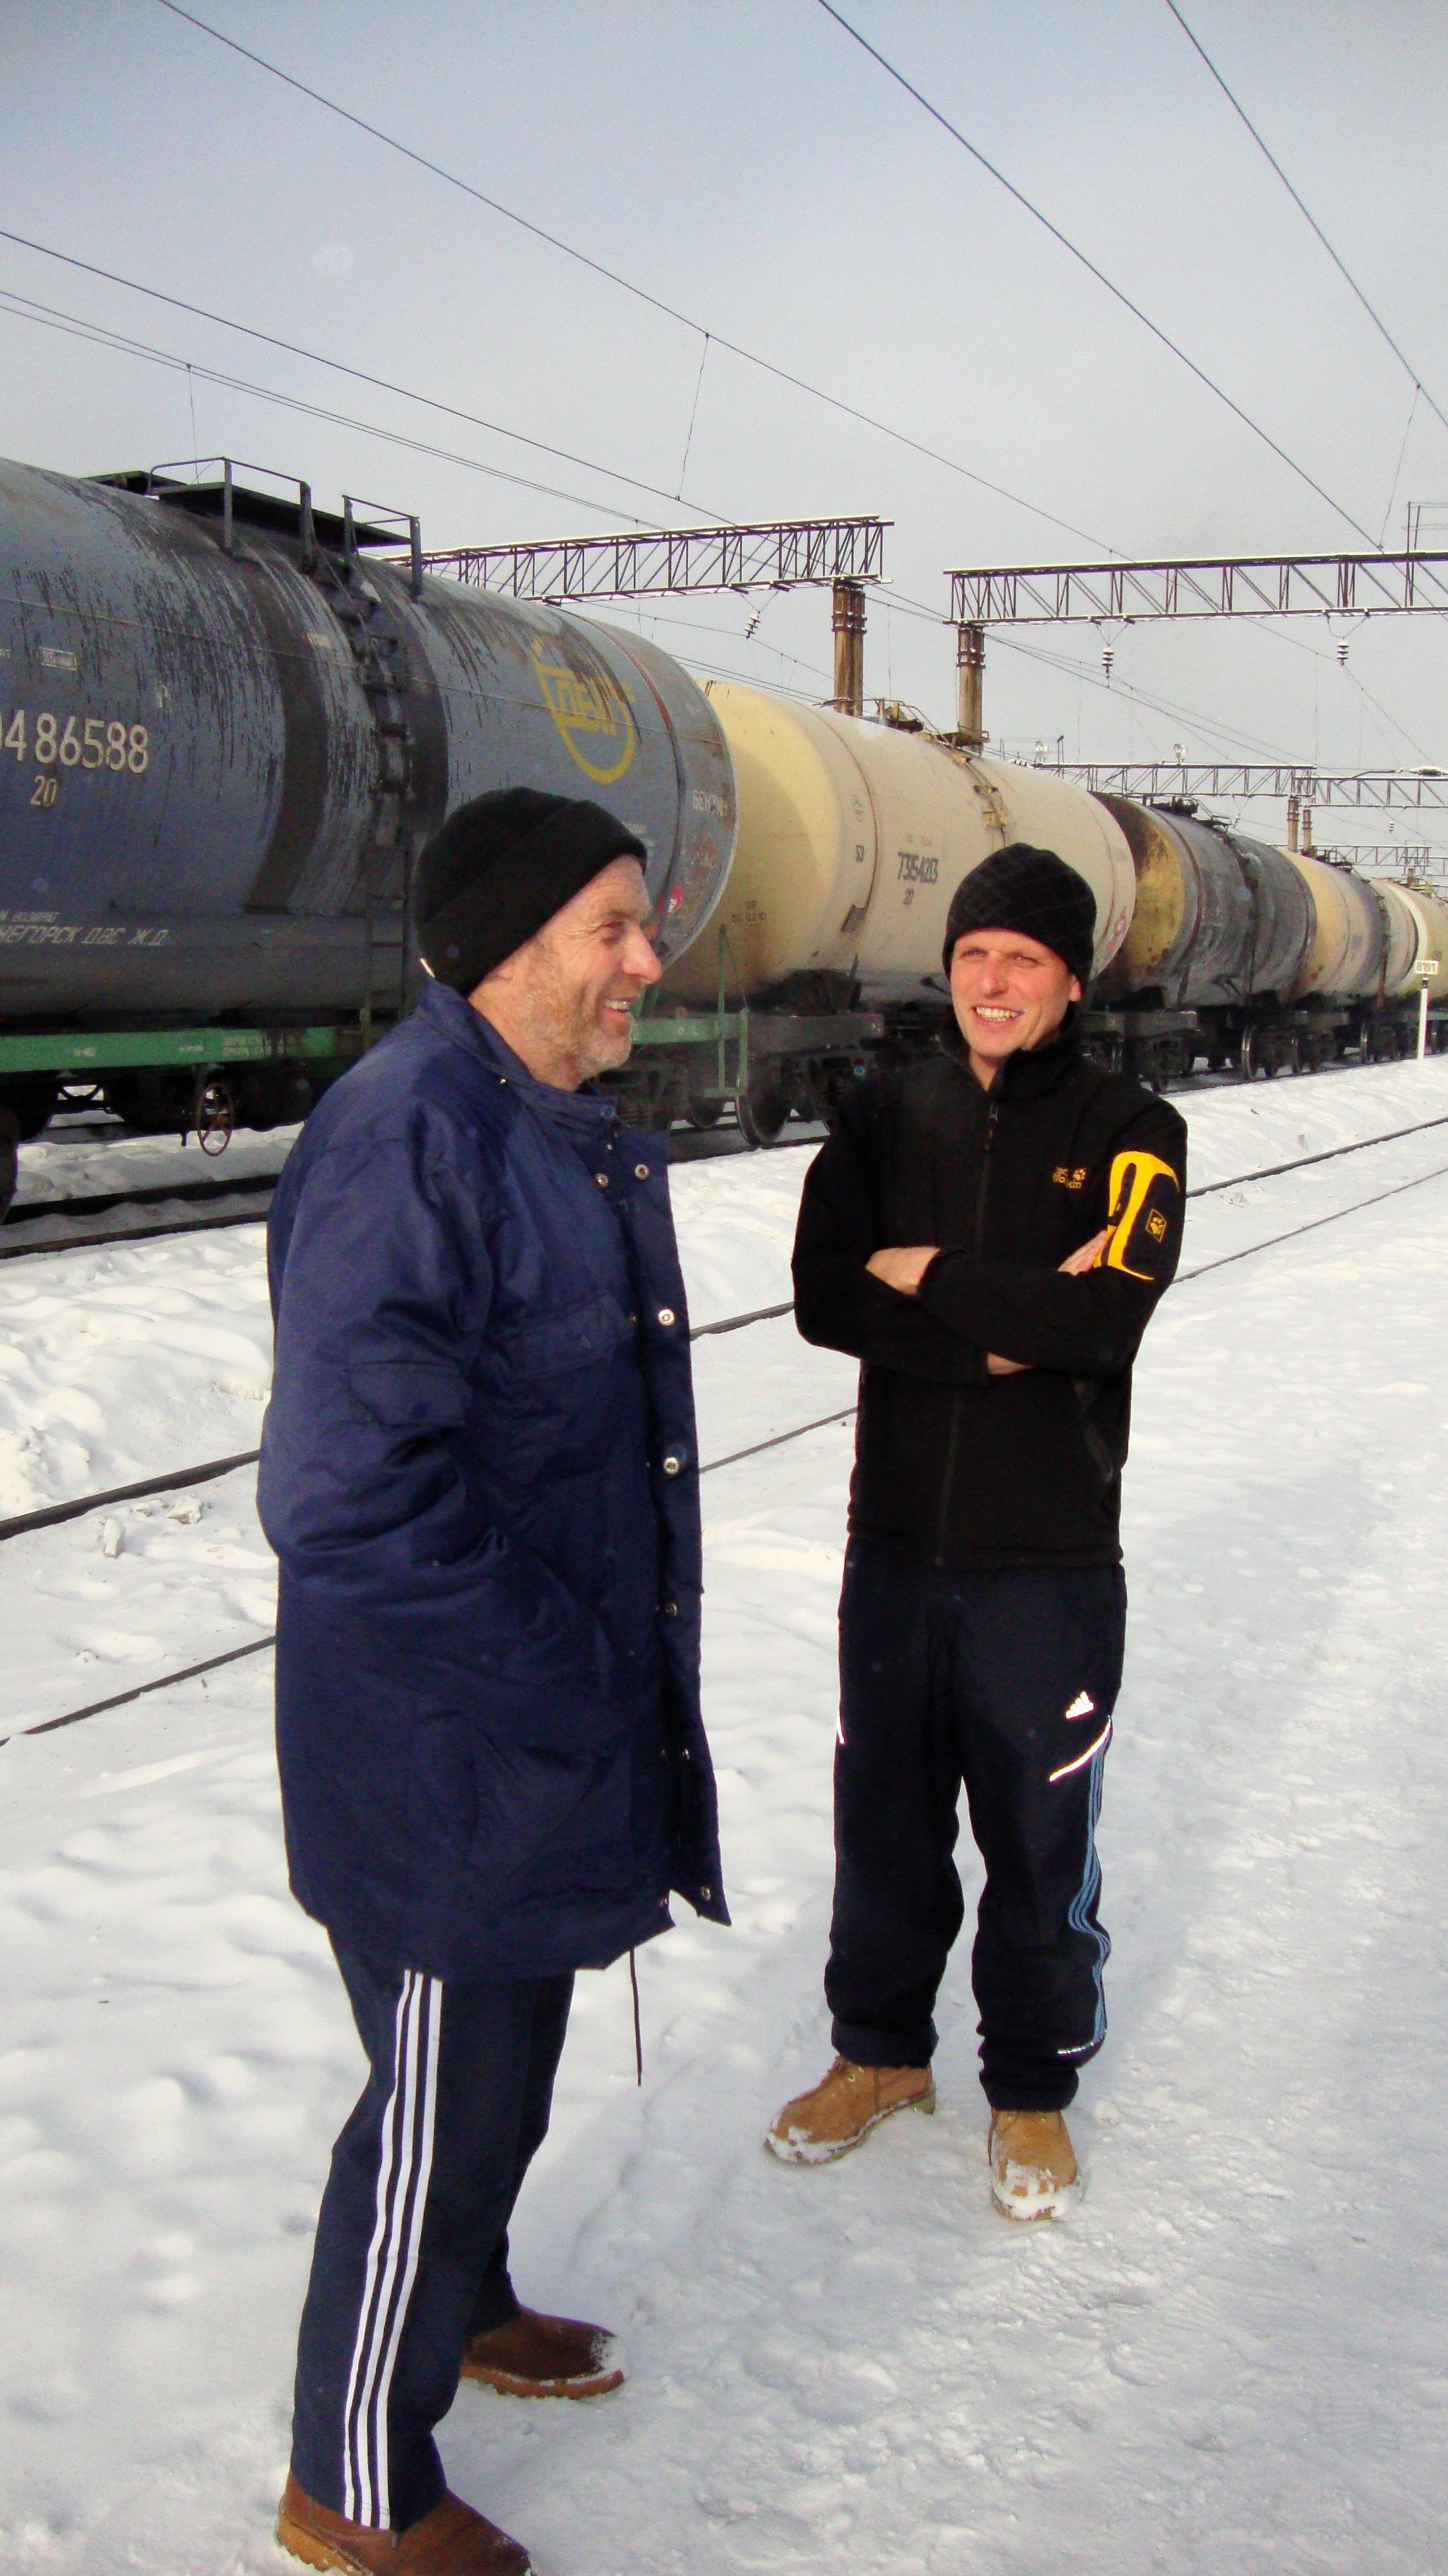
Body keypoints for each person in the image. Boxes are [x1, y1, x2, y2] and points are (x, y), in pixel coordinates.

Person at [258, 787, 727, 2576]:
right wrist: (564, 1671)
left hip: (522, 1722)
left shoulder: (535, 1121)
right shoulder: (412, 1135)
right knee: (440, 2108)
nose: (645, 961)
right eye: (611, 927)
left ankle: (461, 2298)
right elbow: (348, 1497)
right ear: (505, 947)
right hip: (451, 1746)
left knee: (496, 2078)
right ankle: (352, 2484)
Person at [765, 842, 1185, 2219]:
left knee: (1036, 1831)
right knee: (881, 1823)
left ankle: (1032, 2088)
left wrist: (932, 1270)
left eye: (1023, 960)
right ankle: (881, 2055)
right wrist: (998, 1335)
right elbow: (824, 1295)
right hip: (892, 1541)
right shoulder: (883, 1113)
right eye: (972, 956)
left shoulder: (1134, 1130)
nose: (992, 982)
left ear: (1070, 982)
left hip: (1046, 1558)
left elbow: (1101, 1319)